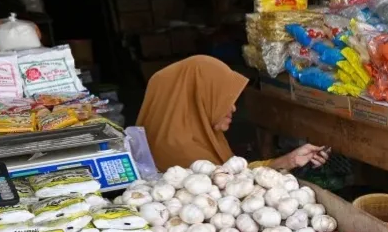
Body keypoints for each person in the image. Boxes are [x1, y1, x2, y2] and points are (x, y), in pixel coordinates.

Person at [137, 55, 330, 171]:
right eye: (222, 99)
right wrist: (287, 162)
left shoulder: (198, 137)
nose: (234, 108)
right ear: (199, 100)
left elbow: (235, 176)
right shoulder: (181, 153)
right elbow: (234, 188)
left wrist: (291, 160)